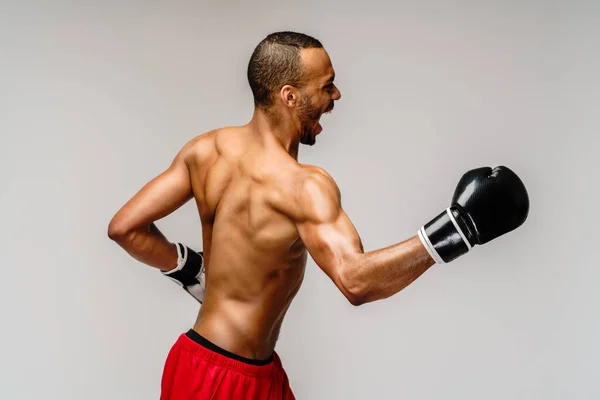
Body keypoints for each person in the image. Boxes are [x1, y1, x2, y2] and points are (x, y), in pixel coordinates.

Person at [107, 31, 529, 400]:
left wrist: (194, 273)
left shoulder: (205, 151)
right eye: (327, 87)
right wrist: (459, 229)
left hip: (206, 363)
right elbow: (355, 281)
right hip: (229, 380)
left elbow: (125, 228)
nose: (336, 96)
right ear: (290, 96)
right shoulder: (304, 185)